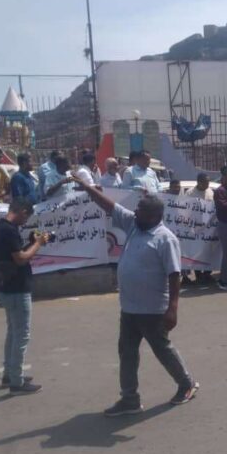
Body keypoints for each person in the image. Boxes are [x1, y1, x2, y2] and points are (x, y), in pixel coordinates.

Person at [71, 174, 198, 415]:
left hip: (153, 310)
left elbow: (175, 275)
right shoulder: (134, 225)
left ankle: (186, 383)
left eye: (140, 211)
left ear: (153, 216)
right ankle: (129, 399)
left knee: (162, 350)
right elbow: (109, 206)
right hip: (129, 308)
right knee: (127, 353)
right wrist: (87, 187)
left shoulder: (165, 239)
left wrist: (173, 309)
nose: (135, 213)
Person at [0, 198, 49, 394]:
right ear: (23, 211)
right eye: (26, 217)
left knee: (13, 332)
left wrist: (31, 243)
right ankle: (16, 382)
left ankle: (9, 374)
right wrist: (38, 244)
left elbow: (14, 253)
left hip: (7, 287)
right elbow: (21, 259)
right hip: (16, 288)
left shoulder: (1, 227)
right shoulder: (8, 230)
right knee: (21, 334)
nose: (26, 221)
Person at [184, 173, 216, 285]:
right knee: (196, 252)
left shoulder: (210, 191)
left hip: (208, 227)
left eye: (208, 182)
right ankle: (198, 275)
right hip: (195, 226)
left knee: (208, 250)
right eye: (206, 182)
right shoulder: (190, 193)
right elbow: (186, 209)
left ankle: (207, 274)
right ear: (199, 182)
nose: (208, 184)